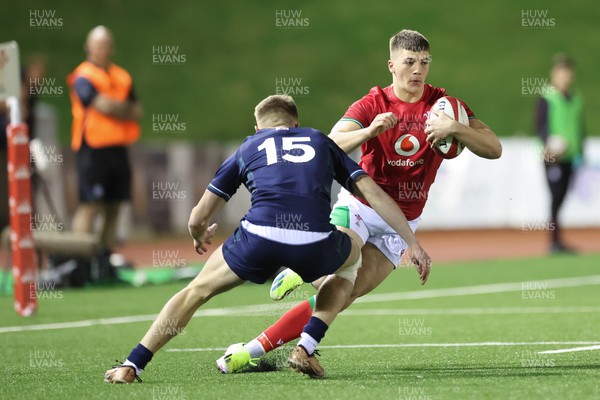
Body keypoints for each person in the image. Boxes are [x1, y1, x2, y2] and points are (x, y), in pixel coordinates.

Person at [221, 29, 502, 371]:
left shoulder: (444, 106)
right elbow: (327, 145)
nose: (418, 70)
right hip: (360, 207)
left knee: (344, 293)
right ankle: (299, 284)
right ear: (392, 65)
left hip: (402, 222)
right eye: (410, 62)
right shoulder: (372, 104)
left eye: (425, 63)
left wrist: (455, 129)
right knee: (339, 279)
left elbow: (493, 148)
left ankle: (256, 351)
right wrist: (369, 131)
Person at [104, 94, 431, 382]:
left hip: (258, 239)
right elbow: (373, 193)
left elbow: (198, 216)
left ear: (258, 128)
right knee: (352, 260)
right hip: (314, 241)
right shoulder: (320, 141)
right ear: (297, 123)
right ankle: (307, 345)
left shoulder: (248, 147)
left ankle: (133, 364)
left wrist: (198, 234)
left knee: (196, 292)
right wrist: (412, 242)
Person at [67, 26, 141, 259]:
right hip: (93, 149)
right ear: (88, 47)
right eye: (98, 45)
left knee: (114, 205)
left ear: (111, 47)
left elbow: (137, 110)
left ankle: (105, 259)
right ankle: (79, 261)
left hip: (118, 149)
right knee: (90, 205)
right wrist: (121, 108)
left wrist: (113, 107)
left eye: (106, 45)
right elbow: (100, 104)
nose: (102, 50)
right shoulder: (83, 76)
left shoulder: (122, 75)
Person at [535, 54, 584, 253]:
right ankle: (554, 241)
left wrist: (581, 151)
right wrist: (550, 146)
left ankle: (558, 240)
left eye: (568, 72)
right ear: (554, 74)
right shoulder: (547, 97)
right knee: (555, 197)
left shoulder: (576, 98)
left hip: (571, 156)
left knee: (562, 197)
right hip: (552, 158)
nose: (566, 76)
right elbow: (541, 125)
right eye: (562, 72)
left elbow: (580, 126)